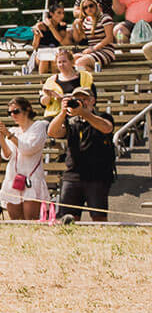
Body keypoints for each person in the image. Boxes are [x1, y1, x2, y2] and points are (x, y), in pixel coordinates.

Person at [48, 85, 115, 223]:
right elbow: (52, 132)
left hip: (97, 175)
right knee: (67, 217)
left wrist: (84, 113)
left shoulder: (103, 116)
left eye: (85, 99)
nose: (81, 102)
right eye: (77, 99)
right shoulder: (71, 121)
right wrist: (62, 112)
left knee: (99, 217)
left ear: (93, 100)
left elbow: (107, 128)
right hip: (73, 175)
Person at [0, 99, 47, 222]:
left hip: (31, 179)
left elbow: (28, 148)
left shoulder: (39, 126)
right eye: (10, 112)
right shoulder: (13, 131)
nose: (13, 115)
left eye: (16, 111)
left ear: (27, 109)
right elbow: (6, 155)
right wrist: (1, 137)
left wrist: (8, 135)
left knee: (31, 220)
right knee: (15, 221)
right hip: (14, 179)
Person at [69, 0, 116, 71]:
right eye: (85, 7)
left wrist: (93, 48)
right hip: (92, 52)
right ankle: (93, 74)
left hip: (105, 51)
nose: (89, 9)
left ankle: (90, 77)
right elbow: (78, 39)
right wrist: (75, 26)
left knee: (80, 63)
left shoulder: (105, 18)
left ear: (96, 6)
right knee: (71, 61)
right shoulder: (86, 21)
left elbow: (109, 38)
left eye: (91, 6)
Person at [29, 1, 71, 72]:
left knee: (55, 60)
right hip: (41, 51)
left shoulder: (62, 26)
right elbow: (35, 46)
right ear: (51, 14)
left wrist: (51, 26)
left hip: (55, 51)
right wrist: (37, 36)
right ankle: (42, 82)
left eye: (63, 13)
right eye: (59, 13)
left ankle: (55, 82)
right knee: (44, 59)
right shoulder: (41, 26)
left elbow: (61, 40)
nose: (62, 16)